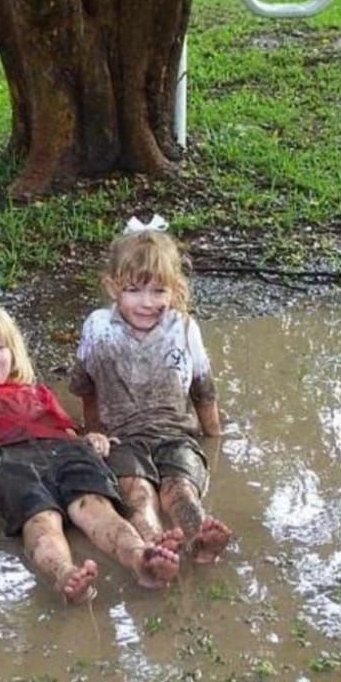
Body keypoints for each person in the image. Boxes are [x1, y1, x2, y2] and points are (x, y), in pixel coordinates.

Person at [0, 301, 181, 604]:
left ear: (13, 353)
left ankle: (139, 558)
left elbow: (67, 431)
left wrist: (90, 438)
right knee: (41, 519)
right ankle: (64, 573)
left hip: (64, 452)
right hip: (4, 461)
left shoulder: (37, 392)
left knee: (97, 508)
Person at [70, 219, 232, 564]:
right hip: (122, 438)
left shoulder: (184, 328)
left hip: (177, 435)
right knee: (139, 493)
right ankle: (155, 544)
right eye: (134, 290)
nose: (147, 303)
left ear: (175, 288)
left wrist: (215, 439)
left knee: (181, 491)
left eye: (159, 291)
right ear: (113, 287)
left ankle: (201, 538)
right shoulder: (99, 328)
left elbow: (204, 391)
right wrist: (94, 431)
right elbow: (86, 387)